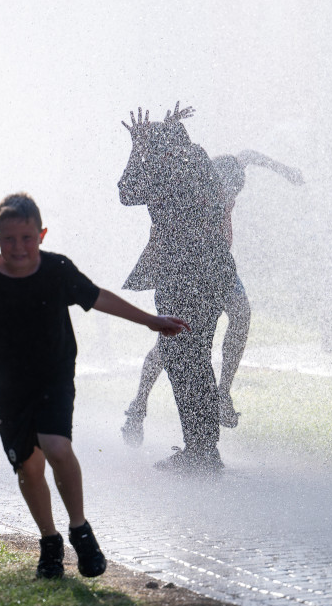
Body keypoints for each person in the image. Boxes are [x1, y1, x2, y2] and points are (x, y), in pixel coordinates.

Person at [0, 193, 188, 580]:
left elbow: (97, 298)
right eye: (9, 239)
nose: (18, 247)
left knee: (57, 446)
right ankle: (50, 542)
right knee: (28, 466)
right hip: (9, 386)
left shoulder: (57, 270)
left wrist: (149, 319)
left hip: (53, 375)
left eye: (26, 237)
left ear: (41, 234)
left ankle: (80, 531)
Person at [121, 147, 305, 444]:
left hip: (219, 267)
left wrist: (285, 171)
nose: (227, 200)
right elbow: (161, 230)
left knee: (242, 314)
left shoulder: (230, 174)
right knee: (168, 344)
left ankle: (223, 393)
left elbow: (249, 155)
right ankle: (138, 406)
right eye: (222, 193)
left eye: (231, 196)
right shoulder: (190, 194)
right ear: (209, 182)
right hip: (190, 271)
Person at [118, 103, 236, 472]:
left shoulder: (164, 169)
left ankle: (199, 451)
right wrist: (164, 131)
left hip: (183, 279)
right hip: (214, 275)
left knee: (181, 360)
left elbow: (126, 192)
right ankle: (205, 448)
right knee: (196, 357)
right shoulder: (199, 160)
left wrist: (138, 146)